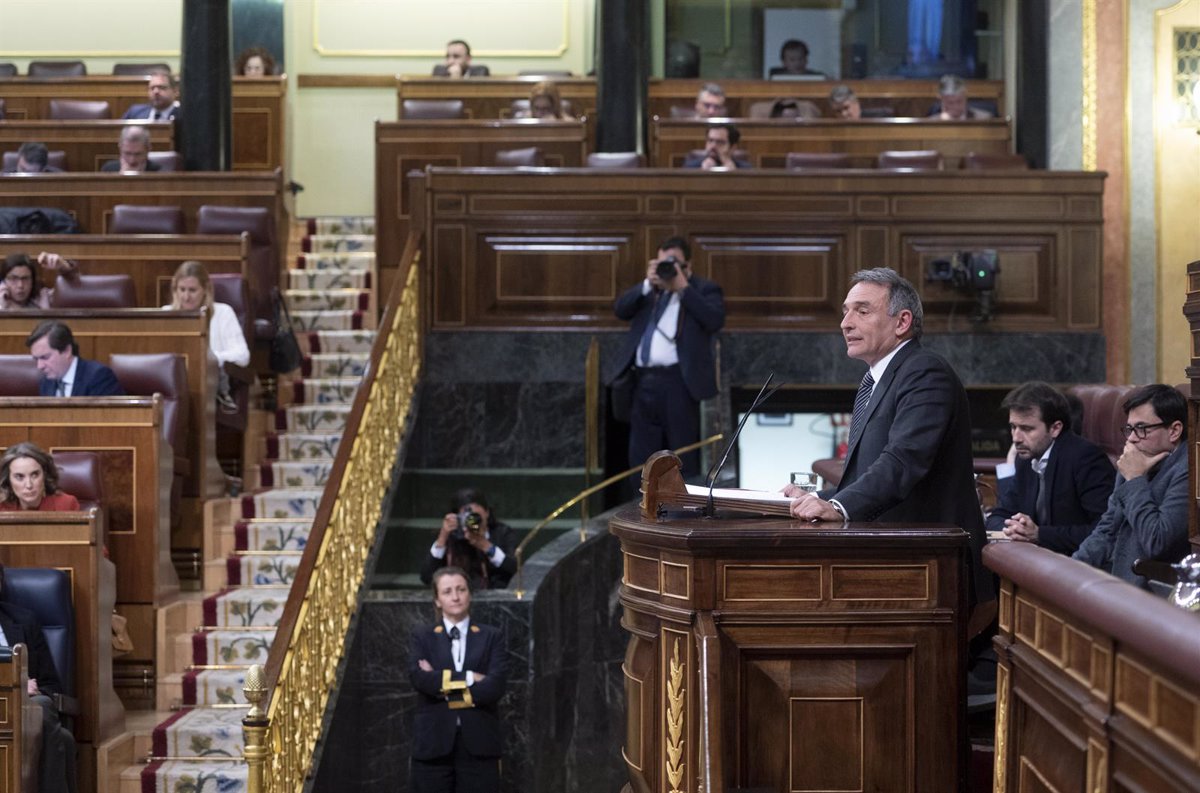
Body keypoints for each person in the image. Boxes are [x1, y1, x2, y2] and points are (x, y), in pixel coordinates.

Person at [785, 267, 991, 606]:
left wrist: (837, 505)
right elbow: (864, 478)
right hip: (895, 564)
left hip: (934, 571)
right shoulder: (877, 380)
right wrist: (807, 500)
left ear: (902, 321)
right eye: (845, 311)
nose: (845, 322)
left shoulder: (925, 372)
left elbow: (904, 460)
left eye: (862, 311)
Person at [608, 237, 725, 478]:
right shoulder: (651, 292)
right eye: (662, 262)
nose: (668, 268)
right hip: (642, 382)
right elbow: (620, 309)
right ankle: (640, 507)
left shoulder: (703, 290)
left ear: (688, 265)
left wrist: (683, 288)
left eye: (673, 263)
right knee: (641, 455)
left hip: (678, 383)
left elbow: (714, 320)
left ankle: (682, 509)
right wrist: (646, 283)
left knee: (681, 453)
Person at [1072, 384, 1189, 588]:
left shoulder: (1188, 470)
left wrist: (1135, 479)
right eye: (1129, 429)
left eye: (1142, 429)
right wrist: (1071, 569)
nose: (1132, 439)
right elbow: (1107, 528)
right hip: (1116, 582)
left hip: (1155, 593)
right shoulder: (1134, 459)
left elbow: (1157, 542)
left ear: (1174, 430)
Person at [985, 381, 1115, 555]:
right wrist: (1012, 529)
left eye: (1026, 428)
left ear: (1055, 428)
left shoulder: (1085, 458)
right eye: (1013, 427)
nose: (1016, 438)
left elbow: (1105, 530)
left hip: (1078, 566)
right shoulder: (1025, 458)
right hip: (1039, 561)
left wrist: (1039, 534)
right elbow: (1000, 513)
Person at [409, 566, 507, 793]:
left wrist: (444, 689)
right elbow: (420, 679)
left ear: (469, 594)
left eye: (461, 589)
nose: (455, 596)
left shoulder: (491, 636)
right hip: (433, 744)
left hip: (479, 743)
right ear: (437, 600)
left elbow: (495, 686)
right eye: (447, 591)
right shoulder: (422, 636)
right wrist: (470, 677)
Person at [0, 562, 78, 793]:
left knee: (42, 705)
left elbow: (50, 684)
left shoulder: (24, 621)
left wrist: (26, 690)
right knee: (60, 737)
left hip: (23, 708)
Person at [165, 261, 250, 413]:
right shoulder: (165, 314)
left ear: (205, 289)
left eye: (192, 290)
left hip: (207, 382)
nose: (186, 297)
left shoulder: (223, 313)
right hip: (173, 383)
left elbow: (242, 355)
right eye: (181, 289)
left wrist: (208, 358)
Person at [420, 489, 517, 590]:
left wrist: (487, 546)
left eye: (476, 517)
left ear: (487, 513)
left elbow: (516, 570)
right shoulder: (451, 536)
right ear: (458, 517)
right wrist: (442, 538)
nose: (472, 522)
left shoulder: (503, 533)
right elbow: (426, 577)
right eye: (467, 518)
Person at [26, 320, 125, 397]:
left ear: (67, 351)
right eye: (36, 359)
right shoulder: (46, 382)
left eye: (45, 357)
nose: (40, 366)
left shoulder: (99, 377)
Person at [0, 443, 80, 512]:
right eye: (19, 477)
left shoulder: (66, 505)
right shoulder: (2, 508)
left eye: (34, 475)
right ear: (8, 480)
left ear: (45, 475)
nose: (29, 485)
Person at [0, 252, 76, 310]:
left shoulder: (44, 297)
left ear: (33, 280)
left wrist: (64, 267)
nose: (20, 285)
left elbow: (72, 293)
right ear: (4, 281)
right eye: (14, 279)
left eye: (25, 278)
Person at [682, 124, 751, 170]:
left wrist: (733, 176)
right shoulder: (691, 168)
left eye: (720, 142)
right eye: (710, 140)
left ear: (732, 147)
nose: (713, 146)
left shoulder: (745, 169)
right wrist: (702, 174)